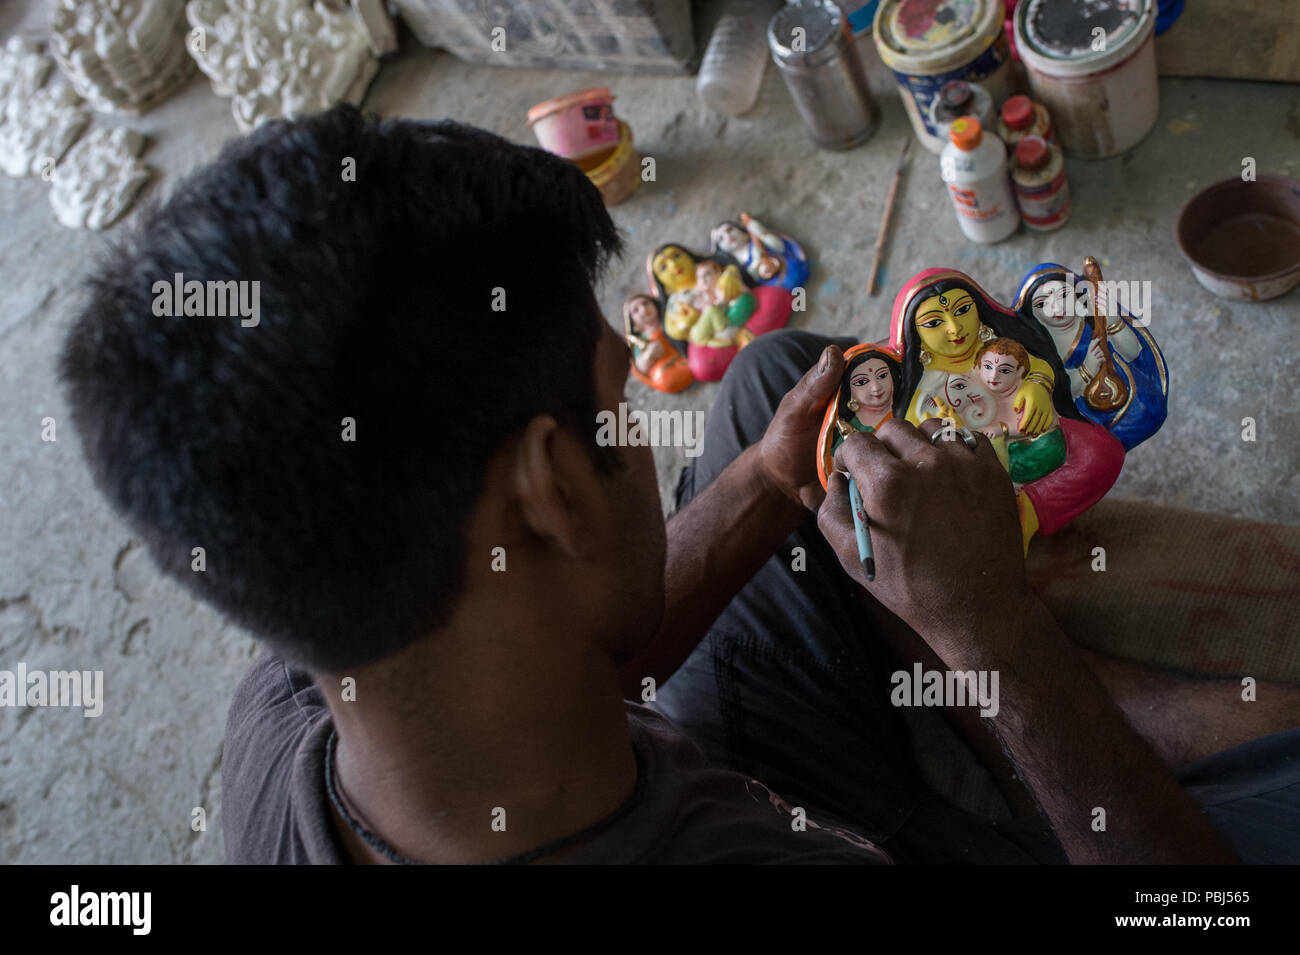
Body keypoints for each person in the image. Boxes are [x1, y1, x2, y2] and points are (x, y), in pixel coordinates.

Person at [59, 106, 1299, 865]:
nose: (643, 431)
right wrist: (993, 632)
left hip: (631, 748)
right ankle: (1026, 702)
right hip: (830, 819)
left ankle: (1003, 681)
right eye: (615, 407)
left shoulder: (285, 703)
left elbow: (562, 652)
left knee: (778, 384)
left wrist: (767, 476)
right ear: (547, 490)